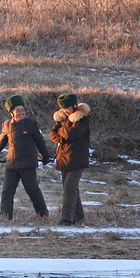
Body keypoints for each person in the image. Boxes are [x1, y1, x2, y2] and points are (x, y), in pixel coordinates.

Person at [0, 95, 52, 220]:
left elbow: (40, 142)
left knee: (32, 190)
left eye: (23, 110)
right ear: (12, 113)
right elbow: (0, 142)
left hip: (27, 164)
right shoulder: (7, 125)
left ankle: (43, 214)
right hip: (11, 164)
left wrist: (45, 157)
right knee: (7, 192)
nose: (21, 113)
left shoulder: (31, 124)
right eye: (18, 111)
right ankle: (5, 217)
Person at [49, 93, 91, 226]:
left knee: (69, 188)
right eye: (63, 108)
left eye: (68, 108)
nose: (66, 111)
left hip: (77, 160)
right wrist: (62, 133)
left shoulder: (83, 120)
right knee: (71, 189)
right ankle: (79, 217)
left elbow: (71, 134)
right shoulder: (61, 119)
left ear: (74, 105)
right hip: (64, 160)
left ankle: (67, 219)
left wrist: (61, 132)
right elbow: (52, 135)